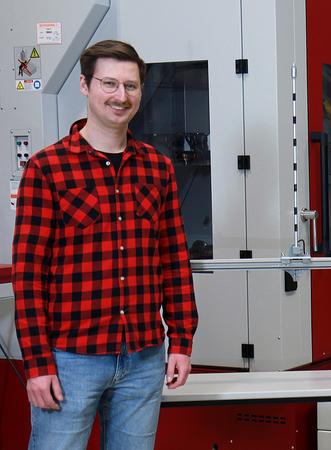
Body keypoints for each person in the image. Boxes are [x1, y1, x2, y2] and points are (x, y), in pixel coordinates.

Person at [12, 40, 198, 449]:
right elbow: (29, 275)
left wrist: (181, 341)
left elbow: (173, 259)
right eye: (109, 84)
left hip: (144, 357)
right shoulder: (47, 168)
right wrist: (38, 364)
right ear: (85, 85)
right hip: (69, 360)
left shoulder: (157, 168)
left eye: (131, 86)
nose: (120, 96)